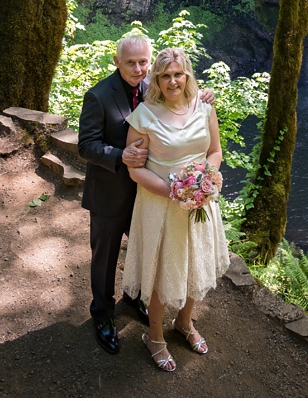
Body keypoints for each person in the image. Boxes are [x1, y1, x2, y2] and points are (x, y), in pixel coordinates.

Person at [121, 48, 229, 371]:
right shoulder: (145, 116)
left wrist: (203, 183)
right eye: (165, 76)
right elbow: (135, 170)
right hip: (161, 206)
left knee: (195, 265)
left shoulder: (205, 108)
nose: (172, 81)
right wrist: (174, 191)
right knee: (160, 275)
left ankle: (184, 322)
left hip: (198, 204)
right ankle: (154, 337)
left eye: (178, 74)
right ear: (157, 79)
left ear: (187, 76)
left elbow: (215, 151)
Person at [76, 34, 154, 354]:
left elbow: (182, 101)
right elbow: (86, 146)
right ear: (116, 62)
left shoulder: (155, 89)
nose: (138, 69)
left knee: (140, 251)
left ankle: (133, 298)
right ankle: (103, 314)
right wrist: (119, 155)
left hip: (146, 192)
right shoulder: (98, 96)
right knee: (105, 258)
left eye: (144, 62)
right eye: (131, 63)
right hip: (109, 192)